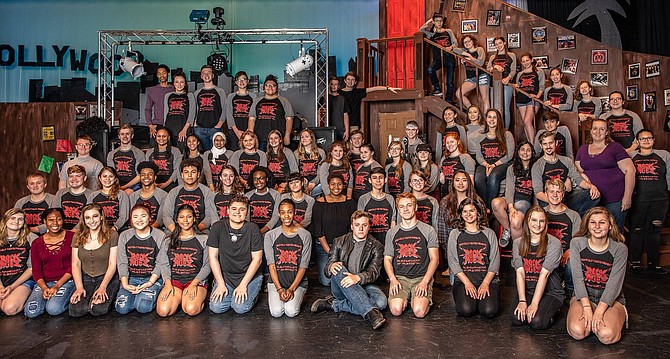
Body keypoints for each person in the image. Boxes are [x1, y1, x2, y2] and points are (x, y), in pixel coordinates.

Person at [311, 210, 387, 329]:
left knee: (381, 302)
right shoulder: (339, 241)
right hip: (341, 285)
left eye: (364, 225)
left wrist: (357, 278)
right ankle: (371, 312)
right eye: (357, 225)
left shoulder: (377, 246)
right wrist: (331, 266)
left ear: (369, 227)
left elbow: (374, 272)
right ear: (352, 226)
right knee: (338, 267)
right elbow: (326, 270)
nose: (360, 228)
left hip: (364, 285)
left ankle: (334, 304)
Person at [567, 207, 628, 345]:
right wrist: (587, 308)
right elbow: (577, 279)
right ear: (587, 225)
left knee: (606, 336)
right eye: (593, 222)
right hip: (583, 296)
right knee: (578, 331)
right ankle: (588, 318)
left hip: (611, 299)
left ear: (610, 225)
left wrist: (599, 312)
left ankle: (616, 316)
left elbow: (614, 284)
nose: (597, 226)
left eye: (602, 222)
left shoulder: (620, 249)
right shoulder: (577, 243)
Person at [385, 193, 439, 318]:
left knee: (419, 311)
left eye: (409, 205)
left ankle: (417, 299)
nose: (405, 209)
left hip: (421, 277)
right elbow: (387, 259)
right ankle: (407, 297)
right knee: (396, 310)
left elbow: (434, 259)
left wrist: (425, 281)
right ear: (398, 209)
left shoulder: (428, 230)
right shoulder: (392, 232)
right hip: (400, 278)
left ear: (415, 207)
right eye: (402, 206)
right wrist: (393, 279)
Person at [575, 119, 636, 230]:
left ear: (607, 132)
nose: (598, 132)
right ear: (591, 131)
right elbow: (578, 172)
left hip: (615, 198)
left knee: (615, 231)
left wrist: (627, 197)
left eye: (602, 129)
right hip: (592, 199)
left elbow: (630, 171)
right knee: (593, 232)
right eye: (595, 128)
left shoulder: (615, 147)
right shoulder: (582, 149)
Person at [510, 206, 564, 329]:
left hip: (550, 291)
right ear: (527, 221)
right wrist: (522, 301)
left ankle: (553, 311)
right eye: (534, 220)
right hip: (529, 289)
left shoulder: (554, 243)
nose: (537, 224)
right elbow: (520, 273)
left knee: (537, 322)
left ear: (546, 223)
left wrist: (534, 304)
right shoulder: (518, 243)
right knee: (516, 318)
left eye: (541, 221)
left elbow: (544, 274)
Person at [208, 196, 263, 314]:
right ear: (228, 210)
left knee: (240, 308)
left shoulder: (253, 229)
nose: (237, 212)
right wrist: (221, 284)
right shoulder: (217, 227)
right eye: (234, 209)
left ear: (247, 212)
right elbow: (213, 257)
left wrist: (243, 285)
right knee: (216, 307)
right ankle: (230, 292)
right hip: (226, 277)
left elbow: (257, 260)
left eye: (242, 209)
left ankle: (252, 293)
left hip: (248, 276)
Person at [448, 198, 500, 318]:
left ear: (478, 212)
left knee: (489, 311)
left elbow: (495, 261)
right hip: (464, 281)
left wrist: (486, 283)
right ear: (461, 214)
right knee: (466, 310)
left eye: (472, 211)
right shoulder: (455, 234)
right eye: (465, 212)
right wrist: (467, 283)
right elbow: (453, 262)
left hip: (487, 279)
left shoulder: (489, 233)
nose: (468, 214)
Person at [628, 129, 670, 274]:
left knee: (654, 231)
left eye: (649, 138)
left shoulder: (664, 155)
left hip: (659, 199)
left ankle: (654, 264)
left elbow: (669, 176)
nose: (646, 141)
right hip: (638, 199)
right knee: (637, 230)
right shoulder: (630, 156)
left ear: (653, 140)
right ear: (637, 141)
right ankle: (636, 263)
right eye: (642, 138)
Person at [156, 205, 210, 317]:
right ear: (176, 219)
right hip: (175, 281)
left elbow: (208, 265)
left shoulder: (203, 239)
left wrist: (194, 284)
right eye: (181, 217)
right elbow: (164, 264)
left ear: (194, 219)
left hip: (195, 280)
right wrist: (167, 284)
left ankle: (200, 297)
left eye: (189, 217)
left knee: (191, 309)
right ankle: (179, 298)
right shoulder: (168, 241)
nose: (185, 220)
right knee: (163, 311)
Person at [115, 204, 167, 314]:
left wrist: (150, 282)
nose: (139, 220)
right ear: (131, 219)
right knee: (122, 308)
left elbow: (160, 263)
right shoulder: (124, 236)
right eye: (135, 217)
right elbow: (122, 262)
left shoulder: (159, 235)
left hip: (152, 278)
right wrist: (125, 284)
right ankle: (138, 297)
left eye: (143, 216)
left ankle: (147, 295)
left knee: (143, 307)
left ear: (150, 218)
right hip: (131, 278)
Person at [69, 204, 119, 317]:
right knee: (77, 310)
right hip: (85, 278)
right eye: (87, 218)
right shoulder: (78, 236)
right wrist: (79, 287)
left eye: (95, 216)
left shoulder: (112, 235)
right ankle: (88, 301)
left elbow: (112, 264)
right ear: (84, 220)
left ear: (101, 217)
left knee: (98, 309)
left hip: (106, 278)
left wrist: (103, 287)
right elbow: (75, 263)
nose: (92, 221)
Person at [532, 131, 599, 215]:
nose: (548, 146)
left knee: (595, 194)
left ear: (556, 143)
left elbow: (578, 179)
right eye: (545, 144)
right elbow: (538, 192)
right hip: (548, 200)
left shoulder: (566, 161)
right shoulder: (537, 166)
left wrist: (591, 186)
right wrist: (555, 201)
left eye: (551, 143)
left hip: (566, 197)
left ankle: (579, 219)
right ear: (541, 146)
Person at [437, 171, 488, 282]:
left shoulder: (477, 201)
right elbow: (442, 232)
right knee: (457, 285)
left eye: (464, 180)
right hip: (454, 252)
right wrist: (450, 253)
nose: (460, 183)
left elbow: (484, 228)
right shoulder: (445, 202)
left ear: (469, 183)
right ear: (453, 183)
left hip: (476, 252)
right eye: (457, 180)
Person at [24, 208, 76, 318]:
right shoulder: (37, 243)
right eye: (51, 220)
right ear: (44, 221)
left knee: (53, 309)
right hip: (45, 282)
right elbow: (36, 270)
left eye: (58, 219)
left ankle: (71, 302)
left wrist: (57, 286)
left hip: (67, 280)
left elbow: (73, 266)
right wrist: (43, 288)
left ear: (63, 220)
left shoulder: (72, 237)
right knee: (31, 312)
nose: (55, 223)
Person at [264, 199, 312, 318]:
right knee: (276, 312)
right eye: (283, 212)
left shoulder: (305, 235)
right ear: (279, 214)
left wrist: (291, 289)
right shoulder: (270, 235)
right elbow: (271, 265)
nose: (286, 215)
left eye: (290, 212)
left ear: (294, 213)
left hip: (296, 281)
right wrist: (280, 289)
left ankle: (301, 293)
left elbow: (303, 266)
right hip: (277, 282)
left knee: (291, 312)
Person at [312, 173, 358, 286]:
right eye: (333, 184)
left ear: (343, 185)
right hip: (324, 247)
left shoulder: (350, 203)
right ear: (328, 185)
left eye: (339, 184)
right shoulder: (319, 203)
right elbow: (318, 231)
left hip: (345, 247)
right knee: (326, 281)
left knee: (345, 278)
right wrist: (331, 253)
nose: (336, 187)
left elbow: (352, 229)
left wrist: (343, 251)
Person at [491, 142, 536, 246]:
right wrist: (511, 207)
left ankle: (518, 252)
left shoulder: (536, 167)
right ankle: (507, 229)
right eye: (522, 150)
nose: (525, 152)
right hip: (511, 198)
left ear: (532, 152)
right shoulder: (512, 168)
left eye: (528, 150)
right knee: (496, 203)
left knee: (515, 222)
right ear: (518, 152)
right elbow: (510, 189)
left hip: (524, 200)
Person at [543, 179, 581, 297]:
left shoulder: (573, 215)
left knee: (571, 264)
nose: (555, 195)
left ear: (563, 194)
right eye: (551, 191)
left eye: (558, 192)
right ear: (546, 193)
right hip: (547, 254)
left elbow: (577, 239)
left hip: (566, 254)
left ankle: (570, 293)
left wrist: (568, 252)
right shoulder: (541, 213)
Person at [162, 158, 217, 234]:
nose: (189, 175)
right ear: (182, 175)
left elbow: (209, 216)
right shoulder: (174, 192)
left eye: (193, 172)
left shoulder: (207, 192)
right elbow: (166, 215)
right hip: (176, 230)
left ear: (198, 174)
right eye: (186, 172)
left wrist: (194, 230)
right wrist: (176, 231)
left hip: (199, 229)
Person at [474, 108, 515, 208]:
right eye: (489, 117)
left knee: (493, 176)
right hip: (485, 164)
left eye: (494, 117)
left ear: (498, 120)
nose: (492, 120)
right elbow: (478, 156)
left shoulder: (507, 135)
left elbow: (509, 155)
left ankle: (490, 208)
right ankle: (483, 207)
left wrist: (494, 165)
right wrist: (487, 165)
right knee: (478, 178)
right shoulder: (481, 136)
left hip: (502, 163)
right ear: (486, 119)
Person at [0, 209, 35, 315]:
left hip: (22, 281)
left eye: (20, 219)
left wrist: (12, 287)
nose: (16, 221)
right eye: (13, 218)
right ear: (5, 220)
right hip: (2, 281)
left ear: (24, 222)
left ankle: (27, 296)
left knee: (9, 309)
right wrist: (1, 287)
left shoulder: (31, 238)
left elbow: (31, 268)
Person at [249, 74, 293, 150]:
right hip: (260, 139)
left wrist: (287, 135)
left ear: (277, 88)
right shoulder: (257, 101)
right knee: (262, 160)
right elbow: (251, 119)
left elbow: (289, 119)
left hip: (277, 139)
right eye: (267, 85)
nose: (270, 87)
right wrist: (251, 137)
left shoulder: (284, 101)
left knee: (277, 160)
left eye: (273, 85)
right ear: (263, 87)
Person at [420, 12, 458, 100]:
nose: (439, 23)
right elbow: (421, 31)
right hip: (438, 59)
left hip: (449, 58)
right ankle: (437, 88)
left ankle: (449, 100)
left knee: (450, 82)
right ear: (434, 22)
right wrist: (429, 21)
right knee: (430, 70)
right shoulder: (431, 34)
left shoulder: (448, 31)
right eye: (437, 21)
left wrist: (451, 47)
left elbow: (455, 43)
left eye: (441, 21)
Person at [358, 167, 396, 245]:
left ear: (385, 180)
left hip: (386, 241)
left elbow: (393, 222)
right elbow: (360, 222)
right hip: (369, 242)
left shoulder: (390, 199)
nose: (378, 181)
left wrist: (391, 242)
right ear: (370, 180)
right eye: (374, 178)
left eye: (380, 178)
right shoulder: (363, 199)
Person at [513, 53, 545, 144]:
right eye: (523, 61)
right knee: (525, 124)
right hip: (521, 99)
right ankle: (531, 145)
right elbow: (519, 86)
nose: (525, 63)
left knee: (527, 121)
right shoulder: (520, 74)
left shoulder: (539, 71)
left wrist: (537, 96)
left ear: (531, 60)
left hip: (532, 99)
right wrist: (516, 86)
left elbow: (542, 86)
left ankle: (533, 146)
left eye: (527, 60)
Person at [193, 65, 227, 151]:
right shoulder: (197, 93)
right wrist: (195, 123)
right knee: (201, 153)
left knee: (215, 153)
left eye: (209, 73)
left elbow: (225, 109)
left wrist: (220, 123)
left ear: (213, 75)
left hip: (215, 127)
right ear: (201, 76)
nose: (206, 75)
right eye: (204, 73)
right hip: (199, 128)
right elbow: (195, 109)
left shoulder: (220, 91)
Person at [486, 36, 517, 129]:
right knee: (494, 108)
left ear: (504, 43)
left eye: (500, 43)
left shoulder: (512, 55)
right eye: (496, 44)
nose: (498, 45)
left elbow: (513, 70)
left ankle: (505, 129)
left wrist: (508, 78)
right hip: (494, 85)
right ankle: (495, 129)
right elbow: (488, 69)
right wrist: (494, 67)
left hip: (507, 84)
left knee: (505, 108)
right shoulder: (492, 57)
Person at [128, 161, 168, 228]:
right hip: (136, 229)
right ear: (140, 178)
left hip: (155, 230)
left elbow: (160, 220)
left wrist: (147, 231)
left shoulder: (163, 195)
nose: (146, 177)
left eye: (150, 174)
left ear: (155, 177)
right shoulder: (133, 196)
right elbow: (131, 219)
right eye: (143, 175)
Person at [106, 124, 145, 193]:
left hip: (134, 186)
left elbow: (140, 176)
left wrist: (125, 187)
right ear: (119, 136)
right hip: (116, 186)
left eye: (127, 134)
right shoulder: (111, 154)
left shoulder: (139, 153)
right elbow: (111, 174)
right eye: (122, 134)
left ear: (132, 136)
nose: (125, 136)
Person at [90, 168, 130, 233]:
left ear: (115, 179)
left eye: (111, 176)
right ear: (100, 178)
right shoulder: (93, 196)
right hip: (98, 230)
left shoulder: (121, 194)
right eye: (104, 176)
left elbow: (124, 217)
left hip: (118, 230)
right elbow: (89, 215)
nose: (107, 179)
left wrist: (114, 228)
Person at [54, 165, 93, 230]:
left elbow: (88, 218)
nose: (74, 179)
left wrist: (74, 231)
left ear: (85, 178)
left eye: (78, 176)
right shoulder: (60, 193)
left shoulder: (91, 195)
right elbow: (54, 213)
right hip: (61, 231)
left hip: (82, 232)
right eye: (71, 176)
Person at [455, 35, 489, 111]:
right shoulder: (465, 52)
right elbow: (455, 49)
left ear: (473, 41)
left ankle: (487, 120)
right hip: (471, 78)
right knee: (458, 94)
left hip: (481, 75)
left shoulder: (479, 49)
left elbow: (480, 63)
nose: (467, 43)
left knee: (484, 98)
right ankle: (473, 111)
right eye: (465, 42)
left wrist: (469, 57)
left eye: (469, 41)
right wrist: (466, 54)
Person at [162, 72, 195, 151]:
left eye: (182, 82)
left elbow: (192, 114)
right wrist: (164, 130)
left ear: (185, 84)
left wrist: (184, 130)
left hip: (183, 128)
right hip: (170, 127)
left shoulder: (189, 95)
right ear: (173, 83)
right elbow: (166, 113)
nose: (179, 84)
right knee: (169, 152)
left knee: (181, 153)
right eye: (177, 82)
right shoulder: (168, 96)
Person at [145, 127, 182, 192]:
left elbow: (177, 170)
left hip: (170, 184)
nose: (161, 138)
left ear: (168, 138)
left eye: (164, 136)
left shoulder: (175, 151)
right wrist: (154, 183)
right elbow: (147, 170)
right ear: (156, 138)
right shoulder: (149, 152)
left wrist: (166, 184)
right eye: (159, 136)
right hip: (153, 183)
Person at [245, 166, 281, 235]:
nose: (258, 182)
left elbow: (275, 217)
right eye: (255, 179)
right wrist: (253, 232)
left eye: (261, 178)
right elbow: (247, 218)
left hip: (270, 232)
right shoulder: (248, 195)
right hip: (252, 232)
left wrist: (261, 232)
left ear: (267, 179)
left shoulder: (276, 195)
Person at [438, 132, 475, 197]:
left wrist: (469, 197)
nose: (449, 144)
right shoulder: (443, 158)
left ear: (458, 142)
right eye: (447, 142)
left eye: (452, 141)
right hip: (445, 193)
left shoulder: (465, 157)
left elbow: (471, 180)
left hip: (460, 193)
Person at [225, 71, 254, 151]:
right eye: (239, 80)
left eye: (244, 79)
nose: (241, 82)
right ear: (236, 82)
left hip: (248, 131)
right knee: (234, 154)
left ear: (247, 81)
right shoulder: (231, 96)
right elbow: (229, 115)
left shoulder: (253, 97)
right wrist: (236, 131)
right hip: (234, 131)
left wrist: (248, 130)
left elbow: (254, 115)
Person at [145, 64, 174, 142]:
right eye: (159, 73)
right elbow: (148, 109)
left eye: (164, 73)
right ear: (157, 75)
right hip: (157, 124)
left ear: (168, 73)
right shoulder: (152, 90)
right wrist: (150, 125)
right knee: (154, 150)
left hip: (172, 123)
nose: (162, 75)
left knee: (173, 149)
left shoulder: (174, 89)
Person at [295, 129, 326, 196]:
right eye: (302, 137)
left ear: (312, 139)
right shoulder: (296, 153)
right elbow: (295, 171)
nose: (304, 139)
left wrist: (312, 184)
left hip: (316, 183)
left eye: (306, 136)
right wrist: (303, 183)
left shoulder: (321, 152)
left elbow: (321, 173)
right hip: (301, 182)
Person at [326, 76, 350, 141]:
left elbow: (345, 115)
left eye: (336, 84)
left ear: (338, 86)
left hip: (340, 129)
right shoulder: (324, 98)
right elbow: (319, 114)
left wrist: (347, 130)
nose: (333, 86)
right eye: (331, 84)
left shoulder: (342, 98)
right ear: (328, 85)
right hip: (327, 129)